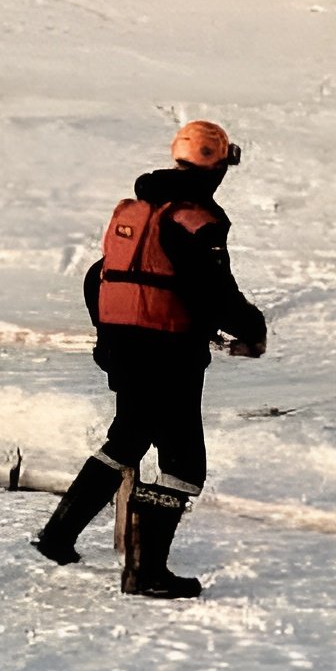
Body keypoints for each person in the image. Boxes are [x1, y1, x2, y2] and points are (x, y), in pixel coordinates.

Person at [34, 120, 267, 598]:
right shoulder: (197, 220)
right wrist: (252, 328)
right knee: (184, 466)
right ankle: (146, 572)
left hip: (123, 347)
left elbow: (97, 277)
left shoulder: (135, 210)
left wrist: (108, 334)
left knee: (128, 438)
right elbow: (214, 290)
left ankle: (58, 537)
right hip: (167, 353)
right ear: (219, 167)